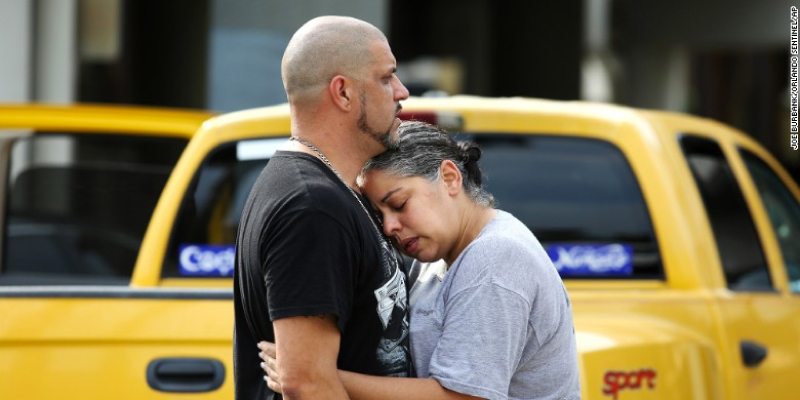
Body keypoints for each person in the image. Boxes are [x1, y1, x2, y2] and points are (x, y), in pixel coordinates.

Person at [259, 121, 582, 400]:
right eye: (378, 215)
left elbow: (462, 396)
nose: (389, 227)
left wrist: (316, 375)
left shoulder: (494, 258)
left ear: (450, 178)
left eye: (398, 204)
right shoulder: (438, 255)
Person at [233, 15, 412, 400]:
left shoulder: (331, 193)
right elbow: (307, 383)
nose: (402, 91)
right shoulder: (311, 207)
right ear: (343, 93)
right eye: (386, 77)